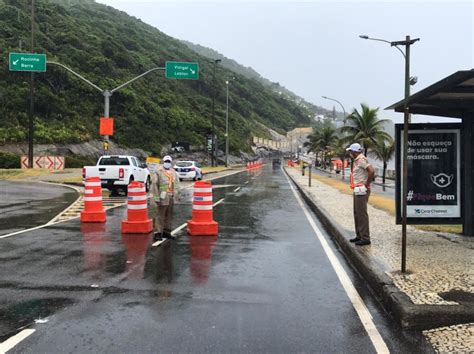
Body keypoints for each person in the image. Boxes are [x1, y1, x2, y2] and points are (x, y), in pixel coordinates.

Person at [346, 143, 375, 246]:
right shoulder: (356, 160)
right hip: (357, 189)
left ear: (354, 151)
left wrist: (366, 185)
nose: (349, 153)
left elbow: (371, 171)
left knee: (362, 213)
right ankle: (359, 235)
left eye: (350, 151)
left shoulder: (362, 160)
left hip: (362, 189)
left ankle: (365, 237)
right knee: (357, 212)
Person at [150, 155, 181, 241]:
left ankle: (166, 232)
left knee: (169, 215)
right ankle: (158, 233)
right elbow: (154, 185)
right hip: (162, 196)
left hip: (171, 196)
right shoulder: (158, 171)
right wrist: (156, 198)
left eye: (169, 162)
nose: (167, 163)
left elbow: (177, 184)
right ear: (163, 162)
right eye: (166, 161)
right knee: (160, 215)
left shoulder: (173, 172)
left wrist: (178, 195)